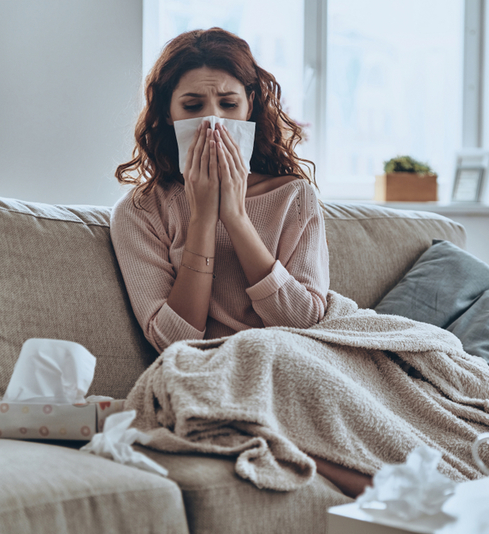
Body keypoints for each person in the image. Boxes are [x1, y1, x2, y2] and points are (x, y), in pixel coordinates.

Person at [111, 28, 370, 497]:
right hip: (211, 370)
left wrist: (235, 215)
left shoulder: (294, 195)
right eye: (193, 107)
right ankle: (384, 491)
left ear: (250, 105)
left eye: (228, 105)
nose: (212, 122)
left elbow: (302, 319)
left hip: (295, 353)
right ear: (167, 112)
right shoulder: (140, 212)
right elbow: (176, 341)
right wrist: (203, 220)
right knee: (212, 373)